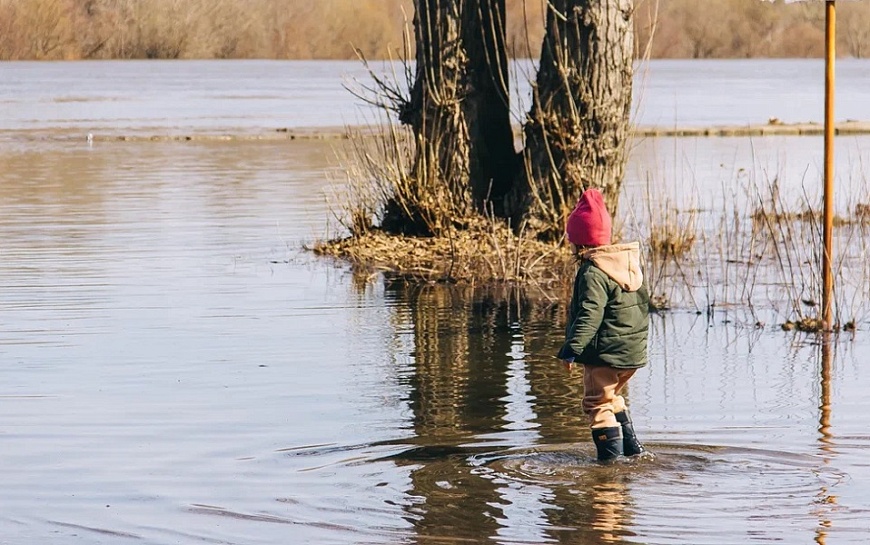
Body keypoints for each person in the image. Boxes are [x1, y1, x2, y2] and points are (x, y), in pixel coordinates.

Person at [557, 188, 650, 462]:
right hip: (631, 354)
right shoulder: (627, 265)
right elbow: (642, 309)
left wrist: (571, 349)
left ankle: (610, 467)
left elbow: (589, 315)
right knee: (611, 397)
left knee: (597, 404)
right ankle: (634, 454)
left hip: (605, 356)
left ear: (578, 242)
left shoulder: (593, 272)